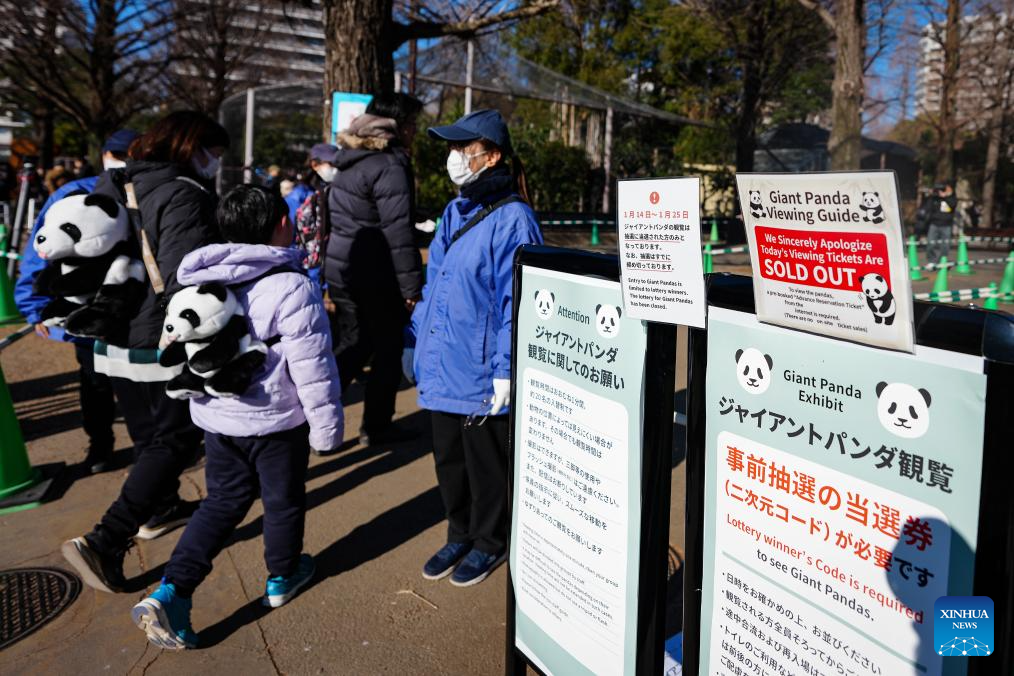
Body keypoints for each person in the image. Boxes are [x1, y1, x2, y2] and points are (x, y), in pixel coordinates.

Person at [130, 185, 344, 650]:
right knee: (282, 499)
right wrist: (326, 432)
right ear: (278, 226)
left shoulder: (199, 279)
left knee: (221, 501)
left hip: (217, 418)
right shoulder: (291, 285)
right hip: (275, 421)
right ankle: (282, 576)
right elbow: (313, 365)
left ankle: (173, 589)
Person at [61, 111, 229, 593]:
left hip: (114, 335)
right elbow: (187, 273)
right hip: (160, 335)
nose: (214, 164)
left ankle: (161, 508)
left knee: (148, 433)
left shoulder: (118, 183)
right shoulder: (182, 192)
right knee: (174, 440)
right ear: (189, 147)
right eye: (212, 154)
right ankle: (105, 539)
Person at [407, 109, 543, 586]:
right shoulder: (453, 211)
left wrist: (507, 369)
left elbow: (518, 304)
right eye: (452, 148)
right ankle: (459, 532)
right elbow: (433, 285)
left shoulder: (514, 219)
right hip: (444, 365)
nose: (454, 158)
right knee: (449, 462)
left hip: (483, 370)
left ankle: (489, 541)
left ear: (493, 156)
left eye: (463, 149)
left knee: (486, 465)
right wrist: (418, 343)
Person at [14, 129, 138, 474]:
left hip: (132, 307)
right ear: (105, 156)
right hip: (83, 307)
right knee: (94, 379)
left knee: (137, 385)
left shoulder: (144, 192)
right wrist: (36, 306)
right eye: (118, 154)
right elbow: (39, 252)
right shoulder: (74, 194)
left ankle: (149, 452)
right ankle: (100, 446)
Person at [325, 93, 424, 446]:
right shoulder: (389, 164)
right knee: (387, 347)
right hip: (375, 274)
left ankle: (316, 418)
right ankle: (377, 425)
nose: (415, 131)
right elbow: (398, 233)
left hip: (344, 268)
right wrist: (412, 286)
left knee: (354, 342)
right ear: (396, 125)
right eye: (413, 123)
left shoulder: (351, 160)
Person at [920, 183, 957, 264]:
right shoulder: (934, 198)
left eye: (944, 189)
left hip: (946, 225)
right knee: (930, 244)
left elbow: (953, 205)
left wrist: (946, 196)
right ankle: (931, 261)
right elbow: (927, 206)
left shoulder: (952, 198)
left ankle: (941, 261)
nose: (941, 191)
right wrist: (932, 193)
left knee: (945, 246)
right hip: (934, 224)